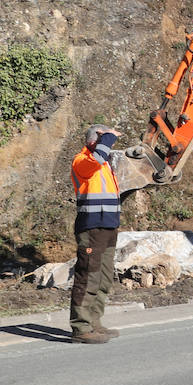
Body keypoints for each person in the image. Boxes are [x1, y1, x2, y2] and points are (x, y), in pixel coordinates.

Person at [70, 124, 124, 344]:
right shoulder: (82, 161)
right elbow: (96, 159)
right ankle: (80, 327)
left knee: (103, 277)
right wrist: (108, 137)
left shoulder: (104, 165)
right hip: (91, 227)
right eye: (105, 140)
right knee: (88, 276)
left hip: (108, 226)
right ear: (96, 140)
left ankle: (94, 323)